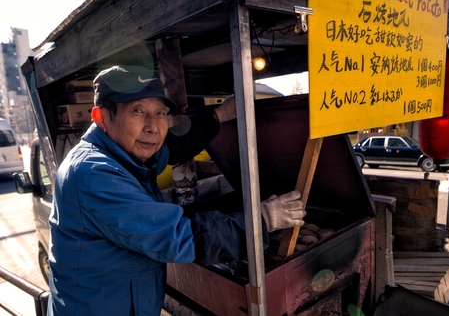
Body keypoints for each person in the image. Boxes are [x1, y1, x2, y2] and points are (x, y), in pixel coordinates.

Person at [47, 65, 306, 316]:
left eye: (160, 113)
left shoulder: (125, 153)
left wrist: (218, 115)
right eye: (137, 111)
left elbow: (172, 146)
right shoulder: (93, 174)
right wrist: (264, 220)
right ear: (101, 117)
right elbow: (179, 238)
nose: (153, 127)